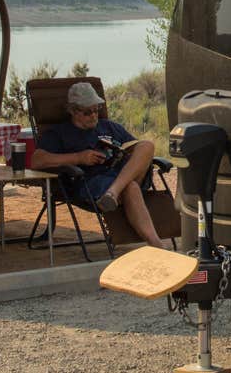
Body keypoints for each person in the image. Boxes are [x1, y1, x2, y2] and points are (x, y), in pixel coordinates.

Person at [28, 82, 169, 249]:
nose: (94, 115)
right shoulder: (59, 133)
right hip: (92, 182)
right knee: (130, 187)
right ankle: (156, 244)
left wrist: (122, 153)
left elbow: (134, 147)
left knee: (147, 145)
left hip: (120, 177)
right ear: (73, 110)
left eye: (97, 110)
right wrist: (79, 157)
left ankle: (113, 192)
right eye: (87, 112)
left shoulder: (109, 126)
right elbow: (37, 160)